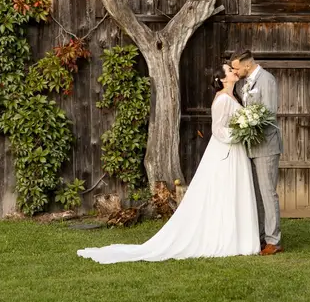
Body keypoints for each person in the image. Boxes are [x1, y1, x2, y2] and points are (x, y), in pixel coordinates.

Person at [77, 63, 259, 263]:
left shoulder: (234, 97)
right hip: (226, 151)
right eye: (230, 70)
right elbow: (218, 130)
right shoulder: (222, 99)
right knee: (223, 191)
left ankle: (238, 238)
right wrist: (239, 133)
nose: (234, 71)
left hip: (235, 151)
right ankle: (225, 238)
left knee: (234, 190)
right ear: (223, 79)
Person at [230, 50, 284, 255]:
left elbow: (269, 113)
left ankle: (273, 240)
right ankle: (260, 237)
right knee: (256, 195)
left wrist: (249, 124)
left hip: (266, 146)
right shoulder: (243, 83)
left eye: (236, 68)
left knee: (268, 193)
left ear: (247, 65)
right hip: (250, 147)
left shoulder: (266, 80)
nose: (235, 72)